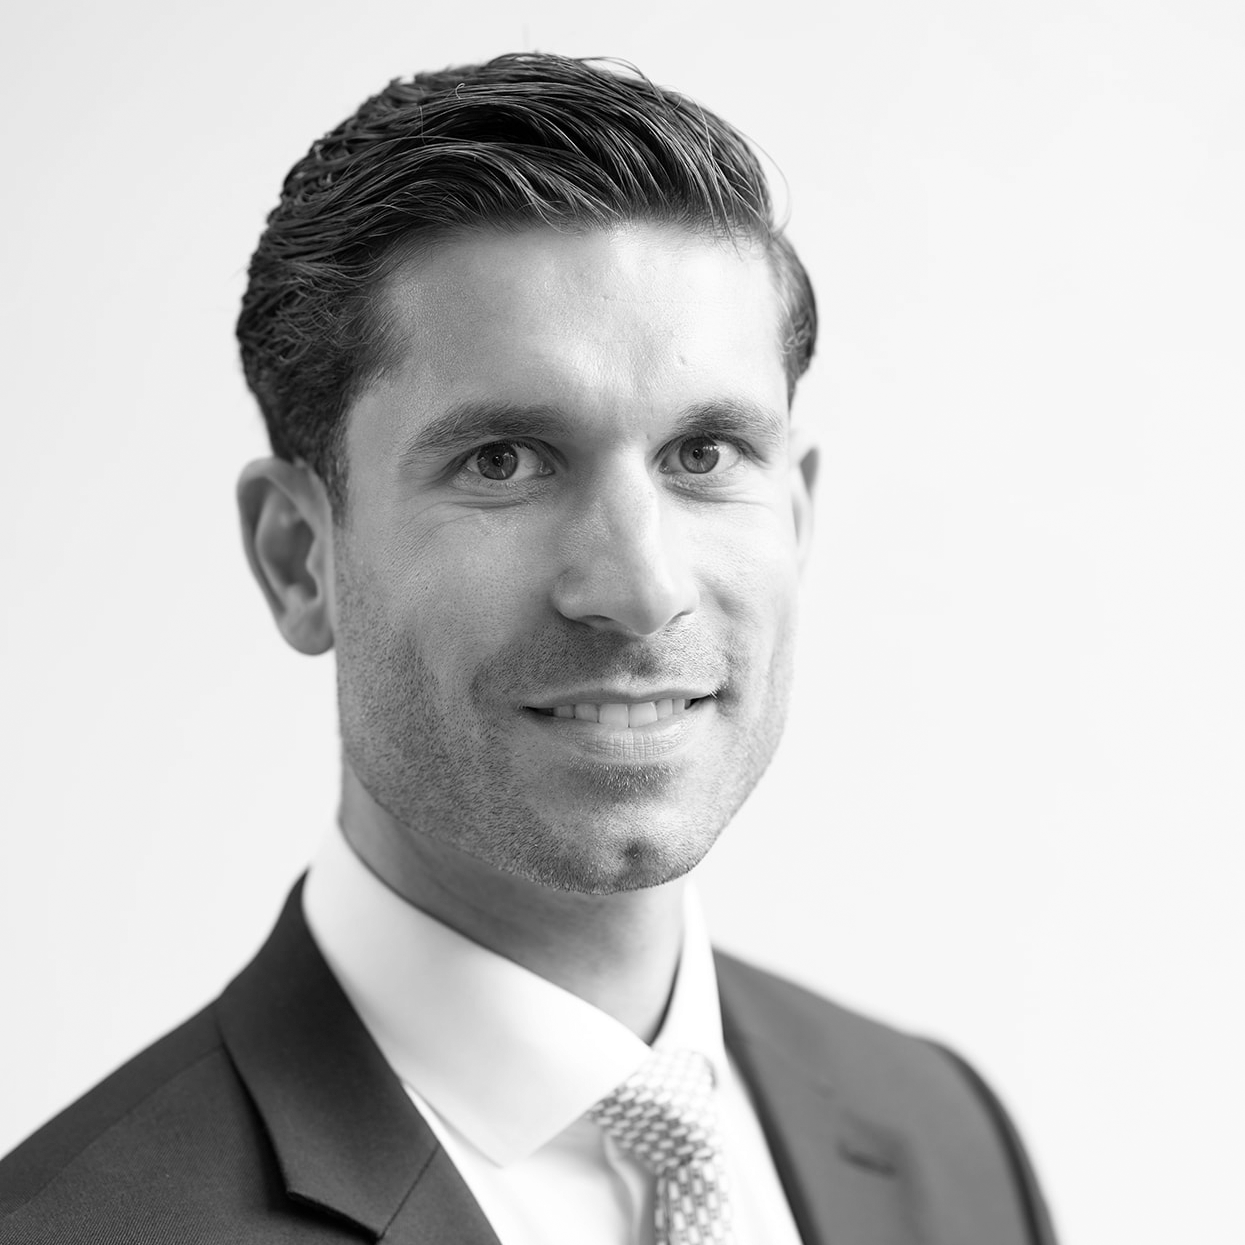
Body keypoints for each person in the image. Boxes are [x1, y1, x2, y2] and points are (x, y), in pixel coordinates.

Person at [0, 53, 1057, 1244]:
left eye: (705, 454)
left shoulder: (946, 1142)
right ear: (300, 557)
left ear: (799, 515)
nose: (641, 588)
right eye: (503, 460)